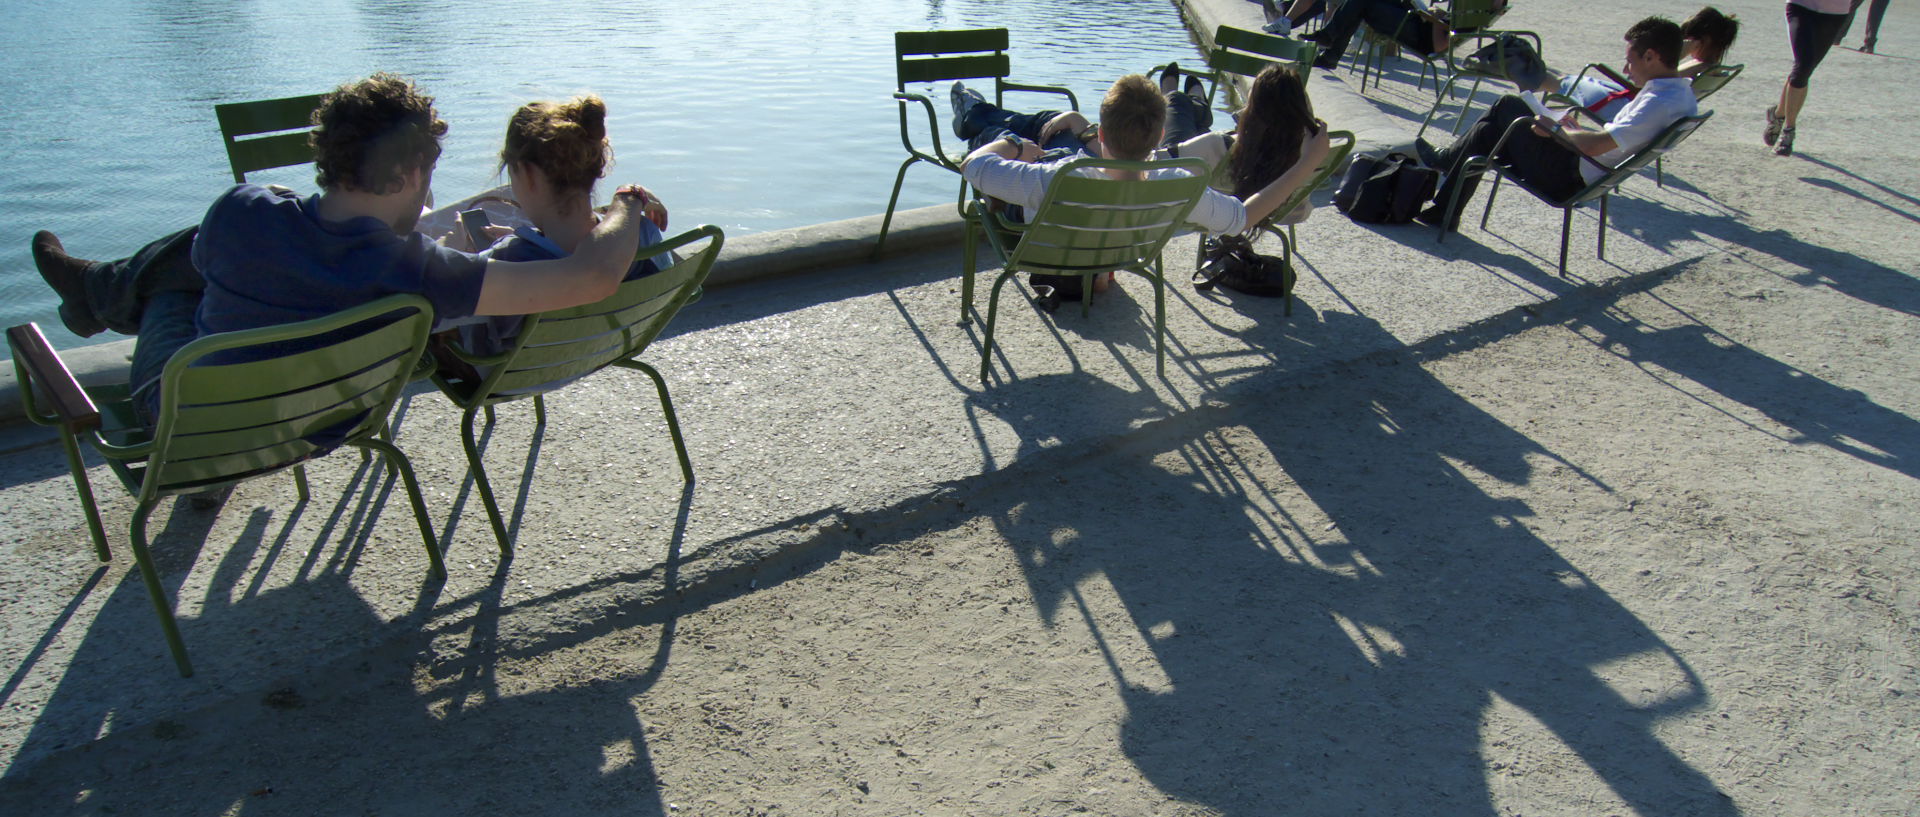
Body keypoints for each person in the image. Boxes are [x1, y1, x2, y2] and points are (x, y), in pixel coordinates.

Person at [30, 73, 653, 423]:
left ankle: (95, 294)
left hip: (189, 423)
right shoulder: (423, 273)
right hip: (333, 423)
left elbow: (223, 269)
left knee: (175, 279)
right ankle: (94, 291)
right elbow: (593, 275)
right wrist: (624, 205)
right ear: (410, 175)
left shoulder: (240, 212)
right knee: (194, 272)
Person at [955, 73, 1330, 299]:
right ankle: (987, 118)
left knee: (1001, 135)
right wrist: (1308, 162)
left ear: (1101, 134)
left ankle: (981, 121)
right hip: (1120, 253)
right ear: (1160, 137)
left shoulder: (1059, 177)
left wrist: (1014, 145)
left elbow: (973, 166)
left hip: (1041, 239)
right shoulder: (1180, 184)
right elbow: (1245, 216)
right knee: (1051, 130)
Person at [1413, 16, 1697, 231]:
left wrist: (1557, 131)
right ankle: (1444, 208)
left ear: (1651, 56)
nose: (1625, 70)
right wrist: (1571, 132)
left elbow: (1598, 146)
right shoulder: (1680, 92)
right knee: (1491, 130)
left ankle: (1445, 166)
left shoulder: (1657, 102)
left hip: (1568, 178)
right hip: (1585, 168)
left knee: (1508, 106)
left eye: (1630, 61)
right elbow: (1611, 140)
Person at [452, 95, 674, 365]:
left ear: (529, 174)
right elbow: (574, 249)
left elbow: (474, 334)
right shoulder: (643, 235)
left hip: (512, 375)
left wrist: (460, 259)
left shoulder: (508, 259)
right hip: (608, 348)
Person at [1540, 7, 1739, 120]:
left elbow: (1649, 81)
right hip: (1631, 102)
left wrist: (1678, 53)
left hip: (1627, 107)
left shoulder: (1695, 68)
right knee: (1565, 78)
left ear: (1701, 40)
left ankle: (1516, 67)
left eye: (1685, 38)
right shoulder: (1710, 69)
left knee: (1561, 81)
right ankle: (1522, 65)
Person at [1301, 0, 1509, 70]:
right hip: (1422, 24)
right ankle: (1329, 48)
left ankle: (1329, 43)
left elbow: (1439, 47)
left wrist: (1434, 19)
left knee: (1362, 3)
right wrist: (1437, 16)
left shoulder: (1475, 9)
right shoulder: (1478, 8)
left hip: (1422, 36)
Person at [1767, 0, 1852, 156]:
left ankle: (1778, 114)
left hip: (1835, 13)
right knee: (1803, 65)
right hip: (1801, 7)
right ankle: (1788, 131)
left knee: (1803, 71)